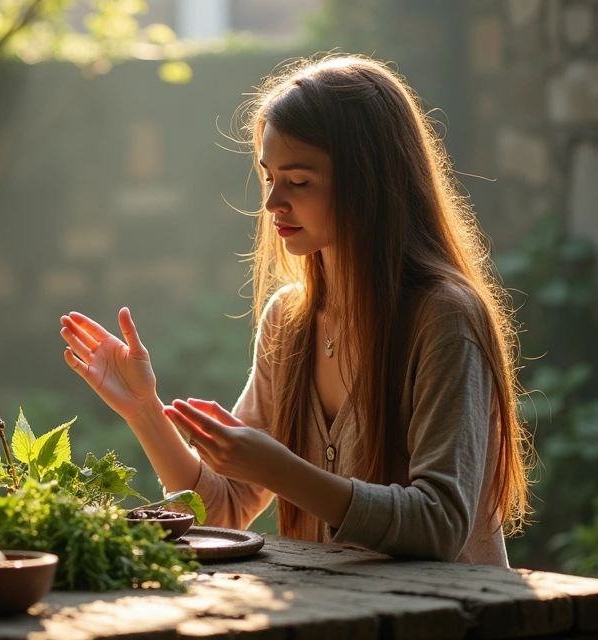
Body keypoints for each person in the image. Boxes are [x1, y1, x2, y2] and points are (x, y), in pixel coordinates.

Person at [58, 55, 531, 567]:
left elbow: (440, 525)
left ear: (369, 183)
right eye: (268, 178)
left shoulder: (443, 318)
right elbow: (223, 509)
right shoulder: (288, 320)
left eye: (299, 182)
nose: (273, 203)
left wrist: (281, 471)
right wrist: (144, 410)